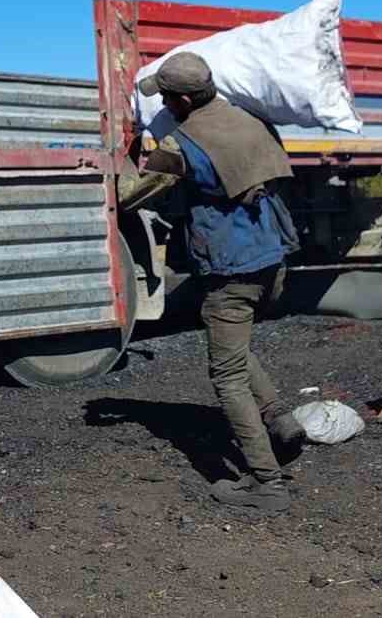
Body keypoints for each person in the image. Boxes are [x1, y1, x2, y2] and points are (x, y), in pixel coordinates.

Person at [118, 52, 307, 512]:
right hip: (270, 259)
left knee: (226, 376)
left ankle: (266, 482)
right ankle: (281, 420)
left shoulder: (186, 144)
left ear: (182, 100)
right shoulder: (250, 122)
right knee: (235, 345)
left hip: (231, 268)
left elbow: (131, 194)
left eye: (164, 97)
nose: (160, 103)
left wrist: (132, 157)